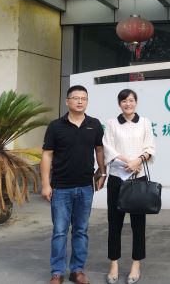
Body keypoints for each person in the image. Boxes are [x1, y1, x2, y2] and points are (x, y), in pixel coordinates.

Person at [41, 85, 106, 284]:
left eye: (83, 98)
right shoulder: (55, 126)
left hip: (86, 187)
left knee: (80, 230)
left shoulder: (94, 124)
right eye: (76, 98)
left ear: (87, 101)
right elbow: (47, 154)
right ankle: (57, 272)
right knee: (60, 231)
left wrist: (103, 172)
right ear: (67, 101)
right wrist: (46, 184)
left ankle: (77, 271)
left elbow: (100, 150)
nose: (80, 101)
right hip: (61, 187)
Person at [103, 89, 156, 284]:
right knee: (114, 223)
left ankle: (136, 264)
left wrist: (138, 161)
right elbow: (108, 148)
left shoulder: (145, 122)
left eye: (131, 100)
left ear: (136, 102)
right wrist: (128, 162)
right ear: (119, 104)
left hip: (138, 178)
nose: (128, 104)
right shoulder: (111, 123)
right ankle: (114, 264)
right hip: (117, 178)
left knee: (138, 224)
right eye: (124, 101)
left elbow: (150, 148)